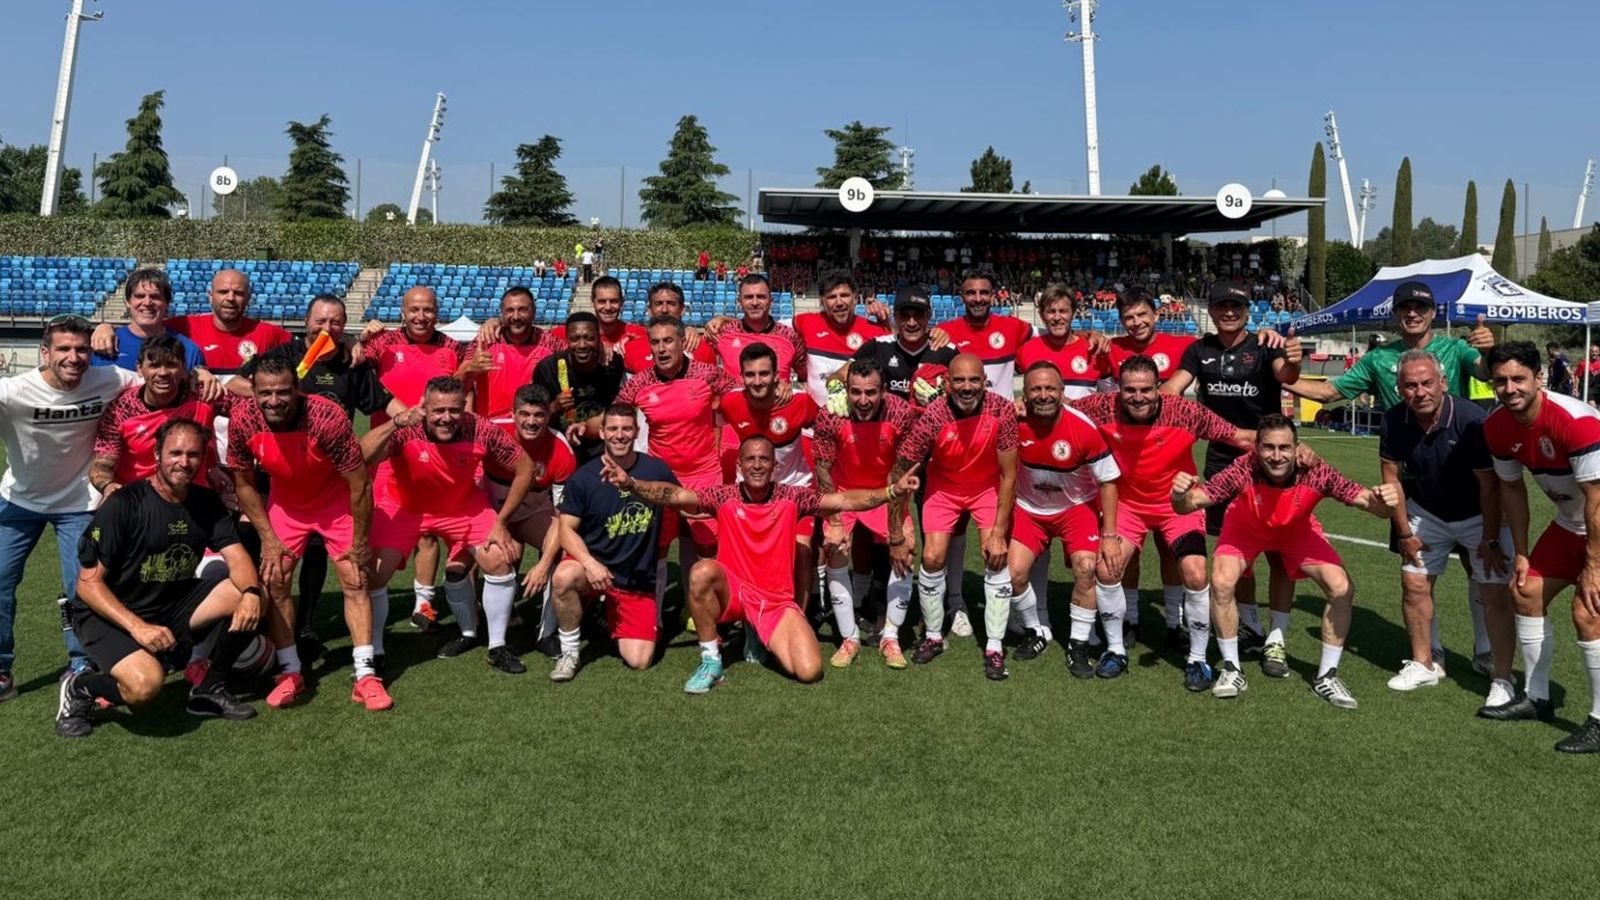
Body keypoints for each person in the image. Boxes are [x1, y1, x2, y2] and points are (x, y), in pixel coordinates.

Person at [603, 435, 918, 693]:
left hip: (775, 602)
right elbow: (675, 496)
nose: (757, 465)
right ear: (739, 465)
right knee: (701, 572)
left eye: (764, 459)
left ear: (774, 465)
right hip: (734, 593)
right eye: (750, 459)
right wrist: (632, 484)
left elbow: (844, 500)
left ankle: (755, 631)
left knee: (809, 671)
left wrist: (892, 491)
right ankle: (711, 661)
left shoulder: (793, 497)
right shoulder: (723, 496)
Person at [1172, 415, 1400, 708]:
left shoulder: (1316, 471)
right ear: (1256, 448)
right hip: (1245, 531)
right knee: (1221, 581)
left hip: (1296, 534)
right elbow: (1189, 504)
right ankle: (1231, 669)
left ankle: (1327, 676)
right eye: (1269, 447)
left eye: (1284, 448)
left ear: (1297, 448)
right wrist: (1179, 495)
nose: (1276, 456)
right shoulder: (1243, 468)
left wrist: (1385, 503)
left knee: (1342, 588)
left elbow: (1368, 502)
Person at [56, 419, 264, 737]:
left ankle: (209, 688)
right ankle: (81, 688)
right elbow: (87, 585)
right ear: (157, 454)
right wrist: (138, 627)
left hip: (169, 603)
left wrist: (251, 593)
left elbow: (236, 556)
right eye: (175, 453)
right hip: (109, 614)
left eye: (193, 454)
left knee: (252, 593)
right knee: (144, 686)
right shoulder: (124, 504)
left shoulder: (206, 502)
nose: (184, 462)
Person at [1072, 355, 1255, 691]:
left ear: (1159, 388)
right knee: (1107, 570)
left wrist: (1291, 446)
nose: (1137, 397)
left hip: (1178, 506)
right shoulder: (1101, 407)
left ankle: (1197, 659)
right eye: (1129, 390)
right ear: (1118, 389)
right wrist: (1021, 408)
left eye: (1145, 389)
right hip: (1127, 506)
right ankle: (1116, 650)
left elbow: (1240, 437)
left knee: (1196, 573)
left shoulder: (1185, 412)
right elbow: (1060, 411)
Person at [225, 357, 386, 710]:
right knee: (275, 579)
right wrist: (268, 540)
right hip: (288, 505)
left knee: (355, 578)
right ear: (253, 392)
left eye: (283, 392)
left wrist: (360, 542)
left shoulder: (326, 416)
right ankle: (290, 671)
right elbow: (244, 484)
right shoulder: (243, 419)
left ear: (297, 390)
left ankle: (365, 675)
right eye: (265, 393)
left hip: (335, 502)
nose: (274, 401)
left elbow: (360, 484)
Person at [1160, 281, 1301, 675]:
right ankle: (1251, 625)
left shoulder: (1266, 345)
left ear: (1247, 310)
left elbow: (1286, 373)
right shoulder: (1199, 350)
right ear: (1211, 309)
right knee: (1233, 549)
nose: (1229, 312)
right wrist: (1149, 398)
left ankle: (1274, 637)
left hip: (1270, 460)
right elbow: (1173, 388)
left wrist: (1293, 359)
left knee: (1277, 551)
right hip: (1222, 460)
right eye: (1222, 305)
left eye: (1236, 306)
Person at [361, 376, 534, 675]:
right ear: (425, 407)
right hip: (405, 508)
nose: (446, 418)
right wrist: (395, 422)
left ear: (464, 407)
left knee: (499, 560)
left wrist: (501, 522)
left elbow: (526, 468)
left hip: (463, 507)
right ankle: (375, 651)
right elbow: (362, 456)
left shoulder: (480, 428)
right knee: (372, 575)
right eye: (438, 410)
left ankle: (497, 646)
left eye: (454, 410)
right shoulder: (407, 428)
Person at [0, 315, 135, 697]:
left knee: (81, 586)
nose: (73, 357)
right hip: (18, 501)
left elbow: (160, 378)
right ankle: (1, 669)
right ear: (44, 353)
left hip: (79, 501)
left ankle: (82, 663)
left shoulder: (111, 379)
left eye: (81, 349)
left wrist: (202, 373)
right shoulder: (13, 391)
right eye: (63, 349)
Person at [1481, 342, 1600, 752]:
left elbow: (1597, 500)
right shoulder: (1497, 427)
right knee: (1525, 591)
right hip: (1571, 523)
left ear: (1539, 378)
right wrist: (1522, 552)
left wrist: (1593, 568)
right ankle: (1537, 698)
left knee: (1588, 610)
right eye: (1501, 381)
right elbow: (1512, 490)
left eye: (1519, 378)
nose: (1510, 388)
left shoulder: (1576, 421)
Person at [1379, 351, 1516, 703]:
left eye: (1427, 383)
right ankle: (1424, 664)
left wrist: (1490, 538)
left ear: (1443, 383)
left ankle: (1499, 673)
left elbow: (1490, 486)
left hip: (1479, 513)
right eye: (1410, 385)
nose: (1420, 392)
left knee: (1495, 589)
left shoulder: (1471, 420)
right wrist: (1405, 534)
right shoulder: (1393, 420)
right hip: (1427, 512)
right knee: (1413, 583)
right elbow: (1391, 481)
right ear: (1399, 389)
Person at [888, 354, 1019, 680]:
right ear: (947, 384)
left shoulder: (1002, 410)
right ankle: (933, 636)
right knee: (932, 558)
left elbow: (1008, 475)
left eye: (974, 380)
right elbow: (901, 470)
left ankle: (994, 647)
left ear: (985, 381)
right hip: (944, 489)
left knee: (996, 556)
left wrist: (999, 531)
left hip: (986, 488)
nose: (967, 387)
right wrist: (897, 529)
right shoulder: (933, 417)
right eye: (959, 380)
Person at [360, 287, 470, 632]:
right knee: (378, 530)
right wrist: (360, 339)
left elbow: (470, 384)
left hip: (434, 454)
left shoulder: (453, 348)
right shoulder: (382, 343)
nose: (421, 316)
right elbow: (351, 359)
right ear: (403, 312)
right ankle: (369, 602)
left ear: (438, 311)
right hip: (388, 454)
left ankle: (424, 605)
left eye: (428, 310)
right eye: (414, 310)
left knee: (427, 530)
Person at [1007, 362, 1128, 676]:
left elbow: (1109, 481)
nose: (1043, 395)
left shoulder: (1082, 428)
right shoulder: (1014, 422)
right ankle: (1035, 631)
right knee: (1014, 573)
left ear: (1062, 392)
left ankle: (1078, 644)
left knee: (1086, 569)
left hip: (1076, 509)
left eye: (1050, 388)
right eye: (1036, 389)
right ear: (1025, 393)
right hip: (1030, 510)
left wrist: (1110, 536)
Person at [547, 404, 674, 681]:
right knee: (564, 576)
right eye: (613, 429)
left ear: (637, 432)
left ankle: (604, 612)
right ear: (602, 432)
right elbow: (565, 529)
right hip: (594, 570)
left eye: (626, 429)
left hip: (634, 578)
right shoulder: (583, 477)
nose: (620, 435)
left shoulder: (656, 469)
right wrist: (589, 563)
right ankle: (569, 652)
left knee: (639, 660)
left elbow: (681, 501)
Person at [812, 358, 919, 667]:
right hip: (844, 495)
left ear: (883, 390)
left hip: (886, 493)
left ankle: (890, 638)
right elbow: (823, 470)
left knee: (906, 549)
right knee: (834, 550)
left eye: (870, 392)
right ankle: (850, 639)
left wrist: (896, 533)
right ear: (846, 390)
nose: (862, 400)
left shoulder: (900, 413)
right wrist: (834, 523)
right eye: (855, 392)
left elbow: (900, 475)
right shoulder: (830, 414)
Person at [718, 343, 819, 629]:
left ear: (777, 375)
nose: (758, 381)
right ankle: (746, 616)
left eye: (764, 373)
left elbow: (825, 432)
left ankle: (797, 620)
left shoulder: (799, 402)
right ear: (741, 376)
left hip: (794, 488)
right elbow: (713, 422)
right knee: (746, 555)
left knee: (802, 552)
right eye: (750, 374)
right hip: (750, 491)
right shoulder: (731, 402)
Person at [1284, 281, 1495, 411]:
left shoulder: (1456, 348)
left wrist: (1487, 352)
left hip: (1452, 453)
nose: (1412, 313)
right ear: (1395, 313)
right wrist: (1279, 376)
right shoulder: (1378, 358)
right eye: (1405, 307)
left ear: (1432, 313)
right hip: (1403, 458)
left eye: (1420, 307)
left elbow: (1484, 372)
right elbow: (1328, 393)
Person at [89, 335, 239, 499]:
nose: (163, 373)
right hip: (140, 499)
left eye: (171, 365)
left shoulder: (203, 395)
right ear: (139, 368)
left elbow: (246, 411)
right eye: (154, 365)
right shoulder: (121, 410)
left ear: (184, 368)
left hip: (193, 498)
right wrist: (108, 486)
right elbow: (103, 463)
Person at [486, 384, 577, 648]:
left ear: (548, 415)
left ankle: (546, 632)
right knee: (483, 555)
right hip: (489, 510)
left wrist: (542, 565)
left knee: (560, 550)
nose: (531, 421)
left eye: (539, 415)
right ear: (512, 414)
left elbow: (562, 518)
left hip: (531, 511)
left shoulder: (561, 449)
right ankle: (472, 630)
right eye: (524, 414)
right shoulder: (491, 431)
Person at [462, 286, 565, 434]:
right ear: (502, 314)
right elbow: (461, 385)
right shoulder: (485, 341)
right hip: (491, 429)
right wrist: (469, 369)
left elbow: (573, 367)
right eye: (510, 310)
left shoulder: (551, 344)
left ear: (534, 311)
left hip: (534, 428)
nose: (516, 316)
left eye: (522, 310)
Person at [533, 312, 626, 462]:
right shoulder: (548, 368)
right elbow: (533, 418)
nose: (582, 345)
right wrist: (554, 407)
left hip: (602, 450)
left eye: (589, 338)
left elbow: (621, 408)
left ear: (599, 338)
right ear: (567, 339)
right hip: (561, 449)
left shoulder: (612, 363)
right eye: (575, 339)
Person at [88, 268, 208, 376]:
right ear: (128, 302)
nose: (147, 303)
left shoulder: (188, 350)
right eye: (140, 296)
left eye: (155, 297)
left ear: (167, 303)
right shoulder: (102, 343)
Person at [792, 273, 888, 407]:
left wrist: (886, 321)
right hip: (814, 415)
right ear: (822, 301)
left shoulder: (874, 331)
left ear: (855, 298)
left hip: (857, 415)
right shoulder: (805, 322)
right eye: (832, 297)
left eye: (844, 295)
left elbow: (902, 345)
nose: (839, 303)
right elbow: (772, 333)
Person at [936, 269, 1034, 395]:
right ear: (962, 297)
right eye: (971, 293)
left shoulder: (1012, 327)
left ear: (992, 296)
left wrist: (1026, 398)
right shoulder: (943, 332)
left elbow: (1052, 335)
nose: (978, 299)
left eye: (984, 292)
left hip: (1003, 408)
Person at [1013, 283, 1110, 400]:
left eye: (1063, 311)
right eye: (1051, 311)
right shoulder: (1026, 350)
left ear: (1073, 313)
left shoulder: (1094, 350)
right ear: (1042, 315)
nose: (1057, 317)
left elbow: (1110, 398)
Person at [708, 274, 808, 385]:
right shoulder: (722, 333)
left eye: (761, 297)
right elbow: (697, 368)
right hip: (733, 397)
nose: (755, 303)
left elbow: (807, 376)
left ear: (771, 301)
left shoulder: (790, 337)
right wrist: (691, 331)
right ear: (739, 301)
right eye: (748, 297)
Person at [618, 283, 714, 374]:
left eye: (671, 303)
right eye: (658, 304)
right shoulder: (631, 349)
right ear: (649, 310)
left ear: (682, 310)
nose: (664, 310)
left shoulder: (702, 349)